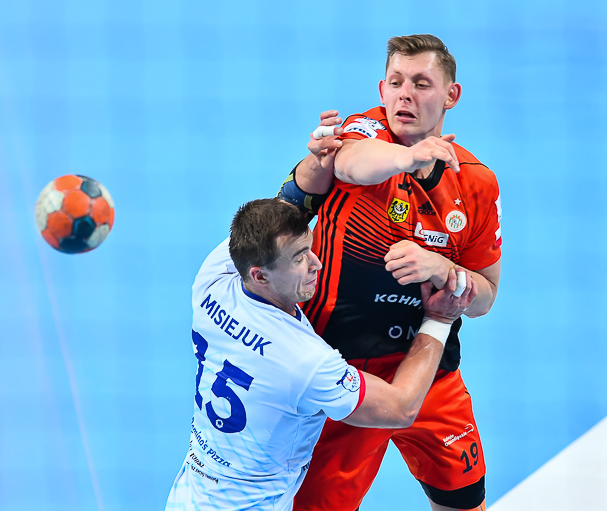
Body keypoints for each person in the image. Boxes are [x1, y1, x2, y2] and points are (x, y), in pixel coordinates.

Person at [278, 34, 502, 511]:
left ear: (451, 95)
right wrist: (409, 156)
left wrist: (446, 270)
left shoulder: (476, 183)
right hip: (342, 374)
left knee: (465, 502)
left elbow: (484, 297)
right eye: (396, 82)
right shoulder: (364, 133)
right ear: (382, 90)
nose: (405, 95)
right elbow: (352, 164)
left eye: (421, 84)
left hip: (429, 366)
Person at [165, 197, 478, 510]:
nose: (316, 263)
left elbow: (286, 200)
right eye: (299, 258)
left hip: (188, 499)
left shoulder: (213, 280)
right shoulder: (303, 360)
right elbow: (401, 408)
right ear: (260, 276)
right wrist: (440, 319)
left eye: (309, 248)